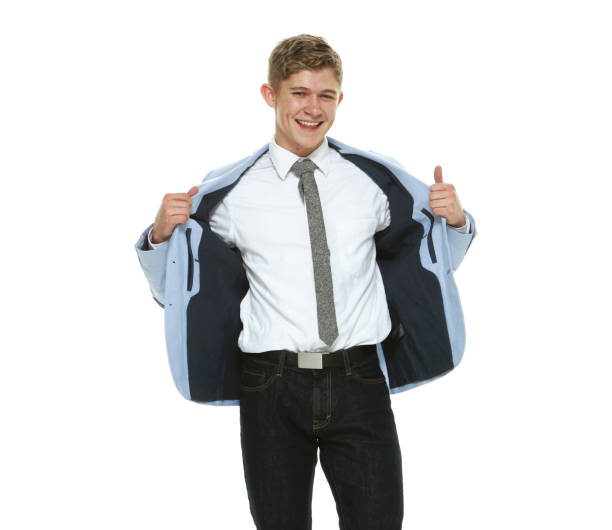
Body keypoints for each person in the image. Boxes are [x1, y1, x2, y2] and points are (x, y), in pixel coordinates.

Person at [135, 34, 476, 530]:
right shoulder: (231, 194)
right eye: (299, 93)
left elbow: (429, 263)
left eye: (325, 95)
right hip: (269, 383)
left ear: (340, 98)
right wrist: (160, 236)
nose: (312, 109)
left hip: (358, 378)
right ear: (270, 95)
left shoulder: (372, 181)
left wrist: (457, 222)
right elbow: (176, 291)